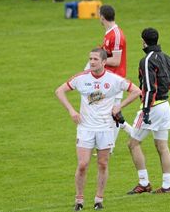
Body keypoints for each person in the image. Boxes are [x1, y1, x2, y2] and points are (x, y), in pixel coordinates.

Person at [56, 48, 141, 211]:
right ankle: (79, 200)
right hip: (85, 128)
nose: (92, 62)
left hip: (106, 128)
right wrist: (71, 111)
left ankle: (98, 199)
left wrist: (119, 106)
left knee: (102, 163)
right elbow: (59, 91)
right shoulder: (81, 78)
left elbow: (136, 91)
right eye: (90, 59)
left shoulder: (114, 79)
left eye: (95, 59)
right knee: (82, 164)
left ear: (103, 62)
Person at [124, 28, 170, 194]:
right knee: (162, 146)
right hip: (165, 105)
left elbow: (148, 87)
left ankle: (144, 182)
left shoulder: (146, 60)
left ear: (143, 41)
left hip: (152, 107)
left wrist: (146, 110)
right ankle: (166, 186)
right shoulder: (167, 58)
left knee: (133, 143)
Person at [97, 5, 128, 153]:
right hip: (108, 79)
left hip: (116, 80)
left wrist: (98, 60)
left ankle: (109, 147)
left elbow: (116, 61)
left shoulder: (116, 35)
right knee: (108, 111)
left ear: (102, 17)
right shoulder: (109, 33)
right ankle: (130, 132)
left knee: (113, 112)